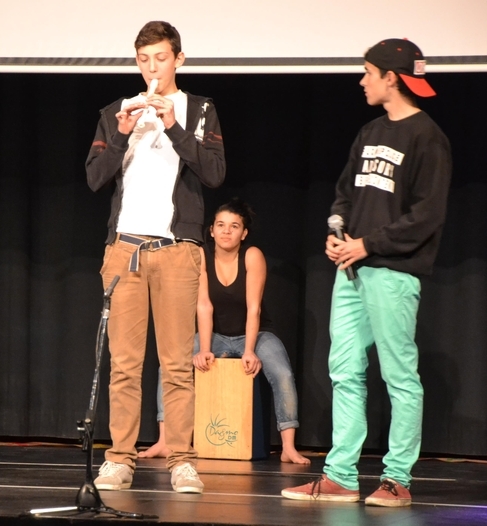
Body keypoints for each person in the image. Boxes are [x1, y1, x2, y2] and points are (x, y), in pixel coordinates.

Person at [282, 38, 451, 507]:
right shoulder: (369, 132)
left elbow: (426, 216)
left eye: (368, 73)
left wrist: (368, 244)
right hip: (351, 270)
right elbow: (345, 193)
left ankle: (397, 479)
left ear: (391, 78)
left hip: (393, 273)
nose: (362, 81)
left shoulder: (428, 137)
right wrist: (338, 233)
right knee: (344, 371)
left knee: (400, 375)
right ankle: (341, 476)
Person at [86, 21, 225, 494]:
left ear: (178, 59)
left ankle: (182, 461)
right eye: (144, 59)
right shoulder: (116, 112)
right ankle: (119, 459)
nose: (152, 68)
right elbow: (95, 178)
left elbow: (214, 173)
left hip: (176, 250)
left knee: (177, 365)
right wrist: (123, 133)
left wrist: (173, 125)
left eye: (161, 58)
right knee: (124, 365)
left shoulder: (199, 110)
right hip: (125, 249)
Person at [139, 199, 309, 465]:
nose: (226, 231)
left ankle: (288, 447)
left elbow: (253, 308)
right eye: (220, 225)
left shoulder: (252, 255)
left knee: (283, 373)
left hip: (255, 333)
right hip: (216, 335)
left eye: (234, 226)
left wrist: (250, 350)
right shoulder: (201, 255)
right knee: (170, 366)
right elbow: (204, 305)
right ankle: (165, 440)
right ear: (211, 230)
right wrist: (205, 349)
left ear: (244, 233)